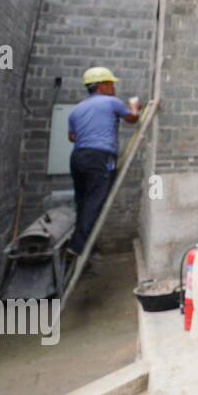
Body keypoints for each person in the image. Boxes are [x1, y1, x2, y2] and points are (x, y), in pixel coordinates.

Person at [66, 67, 140, 258]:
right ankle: (78, 246)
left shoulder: (77, 110)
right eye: (111, 84)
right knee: (95, 200)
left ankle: (87, 245)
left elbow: (72, 137)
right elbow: (132, 119)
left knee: (82, 201)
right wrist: (135, 107)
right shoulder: (111, 102)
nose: (113, 87)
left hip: (78, 157)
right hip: (101, 157)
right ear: (101, 86)